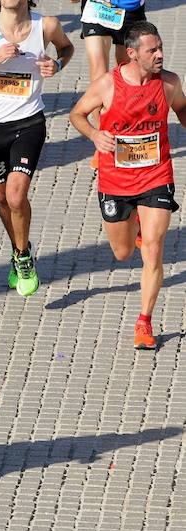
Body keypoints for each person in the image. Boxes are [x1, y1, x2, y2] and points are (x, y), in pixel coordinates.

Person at [70, 21, 185, 350]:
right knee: (122, 252)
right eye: (153, 50)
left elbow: (183, 110)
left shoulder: (169, 84)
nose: (161, 54)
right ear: (132, 54)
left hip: (156, 175)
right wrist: (95, 134)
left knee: (153, 248)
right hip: (116, 180)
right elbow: (77, 114)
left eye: (161, 47)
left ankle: (144, 322)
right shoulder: (108, 85)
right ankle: (134, 228)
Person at [0, 0, 73, 297]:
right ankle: (17, 248)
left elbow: (67, 48)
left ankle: (24, 258)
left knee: (15, 194)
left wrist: (56, 64)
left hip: (28, 124)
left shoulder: (45, 25)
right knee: (1, 198)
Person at [79, 0, 147, 168]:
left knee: (127, 70)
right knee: (98, 71)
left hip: (129, 7)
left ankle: (125, 130)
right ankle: (102, 139)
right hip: (97, 6)